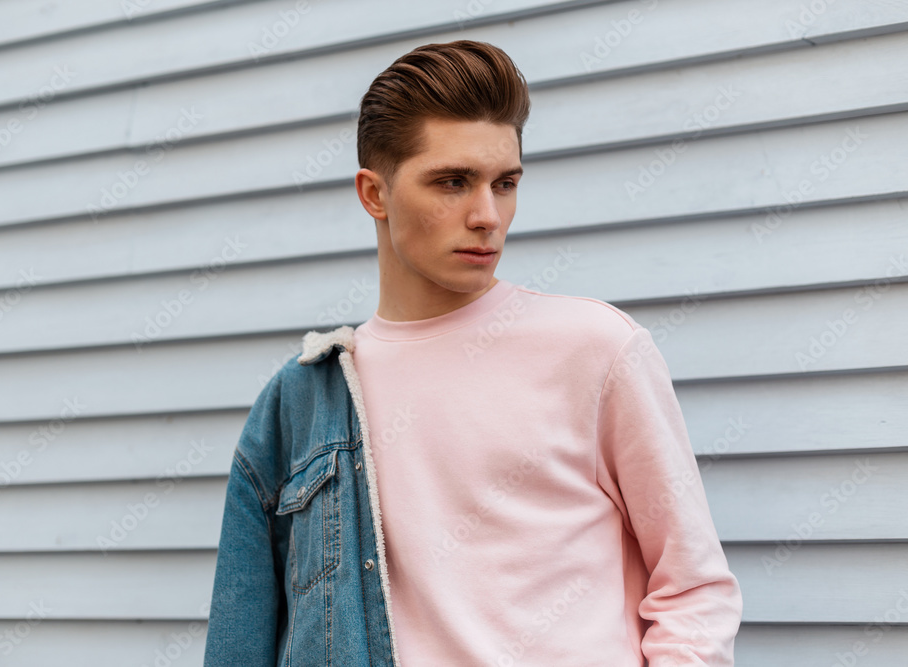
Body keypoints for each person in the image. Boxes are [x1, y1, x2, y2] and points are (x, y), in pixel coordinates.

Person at [204, 39, 743, 666]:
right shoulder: (302, 402)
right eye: (453, 182)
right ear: (374, 194)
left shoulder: (595, 349)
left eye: (505, 182)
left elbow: (695, 588)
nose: (488, 215)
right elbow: (240, 641)